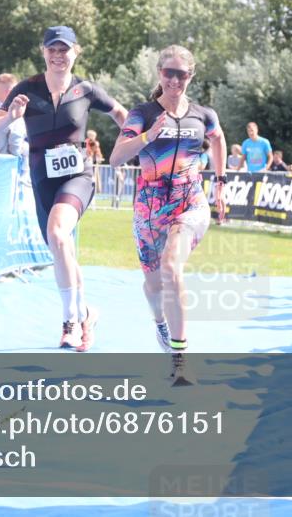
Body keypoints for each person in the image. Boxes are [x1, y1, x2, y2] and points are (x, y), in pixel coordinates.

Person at [0, 26, 127, 352]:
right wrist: (11, 116)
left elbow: (121, 114)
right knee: (60, 248)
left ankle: (71, 322)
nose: (58, 55)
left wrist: (135, 144)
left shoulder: (86, 89)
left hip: (77, 176)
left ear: (75, 52)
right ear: (43, 52)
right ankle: (87, 313)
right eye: (52, 49)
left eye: (64, 49)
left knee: (59, 233)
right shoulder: (26, 88)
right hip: (41, 178)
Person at [109, 45, 226, 384]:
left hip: (189, 201)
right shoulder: (142, 114)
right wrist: (148, 136)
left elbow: (217, 139)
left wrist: (220, 181)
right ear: (159, 74)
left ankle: (179, 358)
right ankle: (160, 323)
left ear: (191, 76)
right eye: (169, 73)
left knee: (171, 266)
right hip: (149, 208)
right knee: (153, 285)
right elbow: (116, 157)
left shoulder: (202, 115)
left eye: (182, 74)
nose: (175, 80)